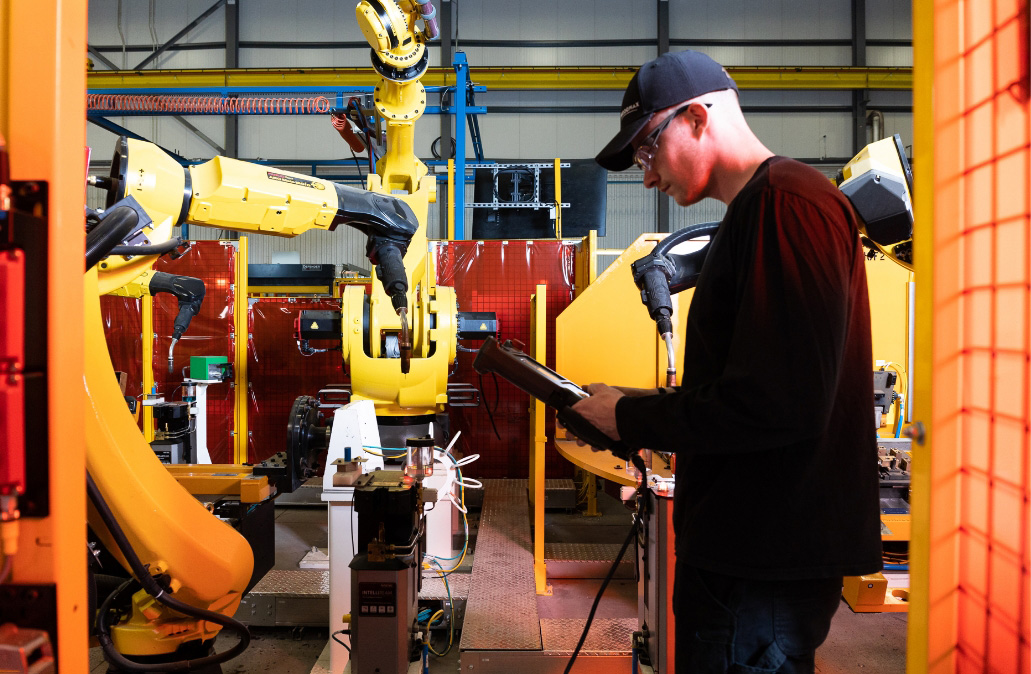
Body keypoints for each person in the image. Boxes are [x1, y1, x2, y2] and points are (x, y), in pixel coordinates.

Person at [573, 50, 883, 674]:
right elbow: (747, 384)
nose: (647, 177)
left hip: (760, 569)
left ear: (694, 117)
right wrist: (625, 403)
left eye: (646, 151)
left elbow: (781, 405)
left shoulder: (789, 206)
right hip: (749, 562)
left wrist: (633, 418)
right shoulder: (760, 212)